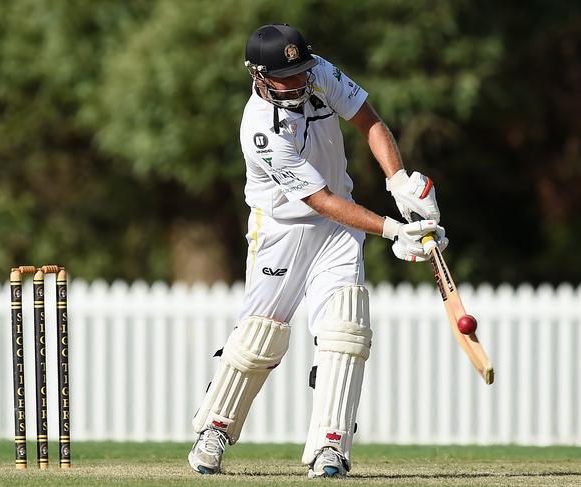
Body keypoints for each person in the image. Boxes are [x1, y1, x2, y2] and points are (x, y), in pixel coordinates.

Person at [188, 24, 448, 478]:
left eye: (301, 71)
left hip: (336, 229)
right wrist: (393, 230)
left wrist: (398, 181)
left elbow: (370, 122)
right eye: (286, 76)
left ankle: (331, 445)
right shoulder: (260, 131)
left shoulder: (317, 72)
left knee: (345, 330)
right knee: (260, 336)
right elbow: (319, 199)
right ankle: (214, 428)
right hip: (281, 229)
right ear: (260, 76)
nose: (299, 81)